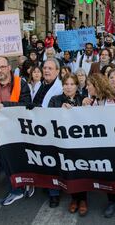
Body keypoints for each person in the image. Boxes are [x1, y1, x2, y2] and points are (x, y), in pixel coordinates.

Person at [0, 56, 32, 204]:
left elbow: (26, 104)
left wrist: (5, 106)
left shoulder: (20, 83)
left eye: (2, 67)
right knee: (3, 160)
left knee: (17, 159)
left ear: (9, 67)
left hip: (16, 129)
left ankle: (20, 187)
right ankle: (16, 187)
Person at [82, 74, 115, 217]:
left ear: (97, 85)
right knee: (107, 173)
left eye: (89, 85)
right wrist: (83, 106)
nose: (86, 88)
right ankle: (111, 201)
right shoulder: (91, 102)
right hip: (101, 146)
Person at [48, 74, 88, 216]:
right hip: (63, 143)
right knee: (69, 171)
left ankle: (83, 199)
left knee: (81, 170)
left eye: (72, 84)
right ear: (62, 85)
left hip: (80, 143)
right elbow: (47, 118)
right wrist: (60, 109)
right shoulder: (55, 100)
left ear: (77, 86)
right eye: (66, 84)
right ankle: (74, 198)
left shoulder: (83, 99)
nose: (69, 87)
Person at [32, 58, 63, 207]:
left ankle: (54, 193)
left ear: (57, 71)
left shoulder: (60, 87)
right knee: (44, 160)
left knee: (52, 162)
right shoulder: (42, 85)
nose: (46, 71)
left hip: (52, 131)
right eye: (45, 68)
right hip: (40, 129)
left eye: (50, 68)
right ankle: (48, 186)